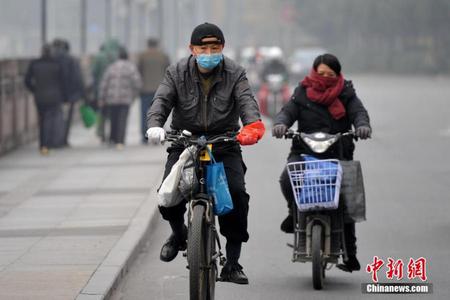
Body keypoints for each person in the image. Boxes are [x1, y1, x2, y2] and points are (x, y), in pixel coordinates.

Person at [146, 23, 265, 284]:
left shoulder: (235, 73)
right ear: (192, 49)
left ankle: (232, 263)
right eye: (203, 47)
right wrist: (155, 124)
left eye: (215, 47)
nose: (209, 51)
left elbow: (247, 101)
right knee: (168, 196)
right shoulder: (176, 72)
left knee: (236, 194)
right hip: (184, 143)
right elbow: (161, 100)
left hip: (224, 144)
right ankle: (179, 235)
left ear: (222, 48)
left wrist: (253, 127)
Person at [272, 53, 371, 272]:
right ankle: (293, 211)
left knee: (347, 200)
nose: (325, 77)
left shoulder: (346, 93)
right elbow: (287, 112)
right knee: (287, 178)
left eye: (330, 74)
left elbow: (359, 113)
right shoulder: (302, 92)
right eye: (321, 73)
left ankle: (350, 254)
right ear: (314, 72)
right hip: (304, 152)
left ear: (338, 75)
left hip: (339, 153)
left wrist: (362, 126)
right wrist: (280, 124)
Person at [24, 44, 66, 155]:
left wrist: (35, 90)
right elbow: (63, 81)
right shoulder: (57, 64)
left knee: (42, 120)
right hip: (55, 97)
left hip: (40, 97)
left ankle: (43, 144)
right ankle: (49, 143)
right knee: (51, 121)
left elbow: (27, 80)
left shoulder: (35, 63)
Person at [99, 47, 142, 149]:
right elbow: (138, 83)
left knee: (113, 119)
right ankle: (120, 141)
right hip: (125, 99)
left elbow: (104, 83)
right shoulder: (131, 68)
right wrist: (133, 95)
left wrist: (102, 98)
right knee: (122, 120)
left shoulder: (111, 67)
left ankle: (112, 139)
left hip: (111, 99)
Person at [52, 38, 85, 147]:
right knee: (66, 119)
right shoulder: (72, 60)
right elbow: (78, 78)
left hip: (54, 94)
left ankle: (53, 140)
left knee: (52, 118)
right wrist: (81, 94)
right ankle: (63, 140)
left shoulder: (51, 59)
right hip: (69, 95)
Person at [137, 38, 170, 144]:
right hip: (160, 90)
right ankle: (158, 136)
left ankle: (144, 136)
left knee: (144, 114)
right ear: (157, 44)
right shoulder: (163, 56)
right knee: (159, 113)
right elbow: (169, 71)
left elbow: (138, 71)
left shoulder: (142, 56)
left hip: (145, 90)